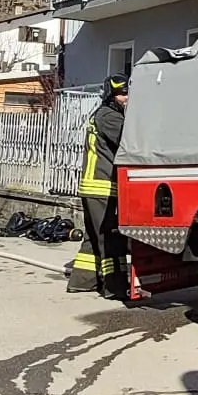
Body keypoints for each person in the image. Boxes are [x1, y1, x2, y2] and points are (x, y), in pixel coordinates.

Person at [73, 74, 129, 298]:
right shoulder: (109, 116)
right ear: (111, 96)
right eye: (122, 94)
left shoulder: (104, 114)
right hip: (101, 185)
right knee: (109, 236)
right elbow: (128, 140)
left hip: (95, 186)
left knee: (93, 236)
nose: (127, 97)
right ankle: (114, 287)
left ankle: (83, 280)